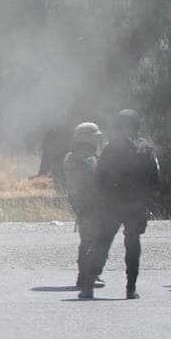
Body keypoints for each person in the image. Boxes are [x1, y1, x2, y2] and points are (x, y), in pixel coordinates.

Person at [78, 110, 160, 300]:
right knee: (133, 245)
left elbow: (98, 178)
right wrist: (146, 203)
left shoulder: (110, 148)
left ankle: (88, 287)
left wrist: (105, 198)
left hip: (112, 205)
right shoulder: (146, 149)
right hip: (136, 205)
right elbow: (155, 178)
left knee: (102, 243)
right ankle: (131, 289)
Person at [63, 122, 106, 289]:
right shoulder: (86, 158)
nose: (97, 141)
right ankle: (87, 276)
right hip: (92, 204)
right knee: (92, 241)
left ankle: (85, 275)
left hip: (81, 204)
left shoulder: (71, 157)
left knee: (87, 240)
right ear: (87, 138)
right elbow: (95, 180)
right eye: (95, 138)